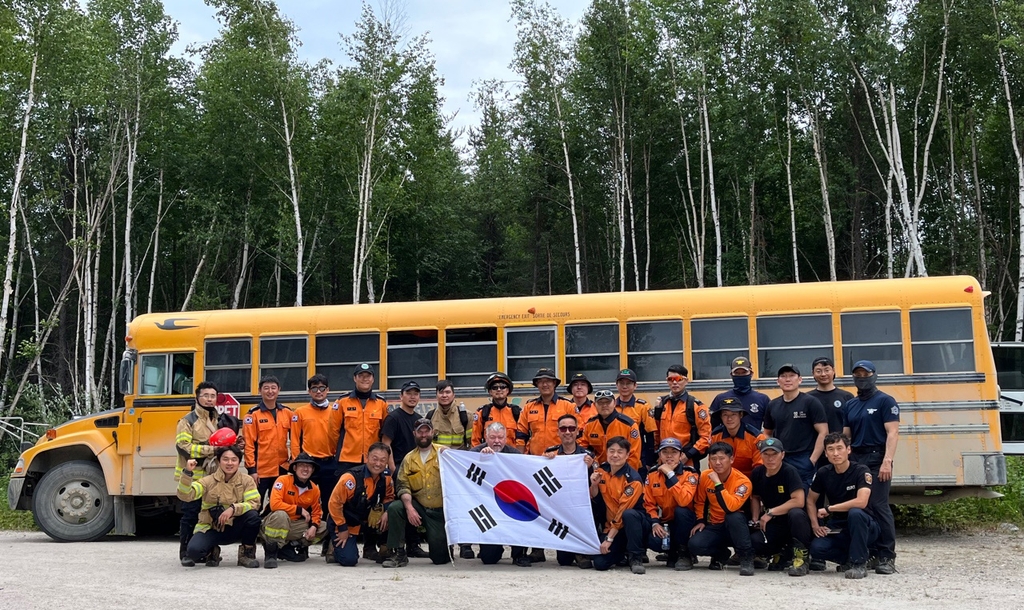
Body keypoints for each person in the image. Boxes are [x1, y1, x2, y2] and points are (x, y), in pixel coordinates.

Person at [174, 381, 244, 566]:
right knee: (190, 514)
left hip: (214, 477)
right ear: (197, 397)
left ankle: (208, 552)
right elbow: (184, 447)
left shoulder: (219, 420)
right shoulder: (187, 421)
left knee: (211, 514)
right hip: (193, 476)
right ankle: (186, 553)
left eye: (213, 396)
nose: (209, 399)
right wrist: (212, 450)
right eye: (206, 395)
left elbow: (226, 443)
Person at [842, 360, 900, 575]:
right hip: (857, 459)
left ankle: (887, 556)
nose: (861, 378)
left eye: (865, 374)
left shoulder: (885, 401)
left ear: (874, 375)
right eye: (857, 374)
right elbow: (846, 435)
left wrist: (888, 461)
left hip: (878, 458)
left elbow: (893, 433)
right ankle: (869, 553)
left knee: (878, 505)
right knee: (860, 508)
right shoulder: (851, 404)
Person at [805, 433, 880, 580]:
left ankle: (858, 564)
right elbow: (810, 500)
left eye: (840, 448)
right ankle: (852, 558)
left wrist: (829, 509)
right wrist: (815, 525)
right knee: (817, 548)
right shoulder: (823, 473)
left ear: (849, 450)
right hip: (839, 526)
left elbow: (861, 502)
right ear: (826, 453)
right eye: (831, 449)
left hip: (865, 524)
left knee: (855, 513)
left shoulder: (861, 470)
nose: (836, 453)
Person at [177, 446, 262, 568]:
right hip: (212, 528)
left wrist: (233, 509)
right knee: (194, 552)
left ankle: (246, 555)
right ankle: (212, 552)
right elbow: (186, 495)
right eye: (225, 459)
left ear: (239, 462)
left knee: (253, 516)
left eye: (234, 460)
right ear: (218, 461)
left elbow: (254, 502)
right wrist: (187, 473)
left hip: (235, 527)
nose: (229, 463)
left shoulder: (247, 480)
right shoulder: (207, 481)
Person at [382, 418, 450, 567]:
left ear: (433, 432)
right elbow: (402, 485)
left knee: (440, 558)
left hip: (439, 512)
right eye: (420, 432)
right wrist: (410, 508)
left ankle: (443, 544)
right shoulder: (409, 459)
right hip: (418, 506)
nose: (424, 435)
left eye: (427, 431)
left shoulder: (444, 453)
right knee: (395, 508)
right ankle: (398, 553)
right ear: (414, 434)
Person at [687, 442, 755, 576]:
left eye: (722, 458)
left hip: (737, 527)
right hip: (715, 524)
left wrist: (718, 484)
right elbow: (699, 501)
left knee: (733, 516)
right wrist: (700, 520)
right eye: (713, 459)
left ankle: (746, 558)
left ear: (731, 459)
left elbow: (731, 507)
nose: (717, 463)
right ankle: (721, 554)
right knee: (695, 544)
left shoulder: (743, 481)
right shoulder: (706, 476)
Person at [749, 438, 813, 576]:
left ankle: (801, 558)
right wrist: (755, 518)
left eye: (774, 454)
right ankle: (782, 553)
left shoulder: (789, 471)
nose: (770, 458)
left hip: (792, 522)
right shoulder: (757, 473)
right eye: (766, 454)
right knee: (754, 541)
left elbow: (799, 501)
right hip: (773, 523)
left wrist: (771, 512)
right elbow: (755, 497)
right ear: (761, 455)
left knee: (796, 513)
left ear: (782, 455)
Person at [470, 422, 530, 566]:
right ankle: (495, 548)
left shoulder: (515, 454)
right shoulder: (474, 453)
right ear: (486, 437)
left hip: (511, 502)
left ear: (506, 438)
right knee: (488, 559)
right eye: (492, 437)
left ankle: (519, 554)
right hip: (487, 505)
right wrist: (480, 459)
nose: (496, 441)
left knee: (523, 511)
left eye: (500, 437)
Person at [327, 442, 395, 566]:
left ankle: (382, 548)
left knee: (395, 511)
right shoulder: (350, 478)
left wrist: (386, 511)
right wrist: (342, 528)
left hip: (368, 520)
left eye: (382, 460)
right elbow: (334, 504)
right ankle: (334, 547)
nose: (378, 464)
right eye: (375, 459)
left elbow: (389, 498)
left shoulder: (387, 478)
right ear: (367, 457)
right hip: (346, 522)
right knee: (349, 560)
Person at [544, 413, 596, 569]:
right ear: (558, 432)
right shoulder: (550, 453)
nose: (567, 432)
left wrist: (590, 467)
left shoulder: (587, 456)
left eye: (571, 428)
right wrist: (544, 461)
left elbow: (595, 489)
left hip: (580, 506)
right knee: (564, 560)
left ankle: (582, 552)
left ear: (577, 431)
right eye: (563, 428)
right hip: (558, 506)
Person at [762, 364, 828, 489]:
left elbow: (823, 432)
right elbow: (767, 433)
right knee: (782, 494)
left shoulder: (810, 402)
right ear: (778, 381)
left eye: (792, 376)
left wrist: (812, 460)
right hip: (781, 458)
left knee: (805, 498)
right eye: (783, 376)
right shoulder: (773, 405)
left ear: (800, 380)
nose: (787, 379)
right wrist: (772, 454)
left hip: (804, 457)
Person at [290, 374, 341, 529]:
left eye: (322, 388)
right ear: (309, 391)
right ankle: (304, 536)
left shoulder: (335, 411)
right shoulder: (300, 412)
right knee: (305, 500)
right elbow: (294, 439)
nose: (318, 391)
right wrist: (295, 462)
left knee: (329, 501)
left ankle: (328, 538)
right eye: (314, 388)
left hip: (330, 462)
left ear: (328, 390)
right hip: (308, 463)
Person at [589, 436, 647, 574]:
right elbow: (594, 498)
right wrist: (594, 485)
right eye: (611, 451)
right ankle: (621, 554)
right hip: (611, 525)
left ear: (627, 455)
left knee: (629, 514)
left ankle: (635, 556)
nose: (615, 455)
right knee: (600, 563)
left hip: (632, 526)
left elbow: (622, 511)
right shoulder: (602, 471)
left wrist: (609, 539)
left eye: (620, 452)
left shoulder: (633, 479)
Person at [260, 453, 328, 568]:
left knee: (324, 526)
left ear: (313, 470)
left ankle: (292, 547)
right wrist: (299, 510)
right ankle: (271, 552)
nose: (305, 469)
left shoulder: (314, 489)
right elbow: (274, 504)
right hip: (274, 522)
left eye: (309, 466)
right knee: (281, 515)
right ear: (295, 468)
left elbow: (317, 512)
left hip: (294, 525)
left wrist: (314, 526)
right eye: (302, 465)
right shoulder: (282, 480)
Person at [642, 438, 699, 570]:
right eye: (665, 452)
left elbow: (684, 500)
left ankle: (684, 553)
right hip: (666, 522)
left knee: (681, 511)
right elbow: (649, 503)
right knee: (653, 540)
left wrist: (670, 474)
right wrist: (655, 522)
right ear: (659, 455)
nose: (669, 456)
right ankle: (671, 552)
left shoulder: (690, 474)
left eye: (674, 452)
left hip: (687, 523)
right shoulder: (652, 475)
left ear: (680, 455)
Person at [243, 375, 293, 504]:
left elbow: (296, 439)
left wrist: (293, 461)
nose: (270, 391)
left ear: (279, 390)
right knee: (255, 504)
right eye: (266, 388)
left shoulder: (287, 412)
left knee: (277, 504)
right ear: (260, 390)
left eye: (273, 388)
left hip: (281, 468)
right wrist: (252, 470)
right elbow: (249, 444)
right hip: (260, 471)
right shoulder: (252, 415)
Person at [333, 363, 389, 474]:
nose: (365, 379)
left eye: (368, 376)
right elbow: (333, 432)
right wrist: (338, 452)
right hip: (347, 460)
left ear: (373, 379)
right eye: (361, 375)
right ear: (355, 378)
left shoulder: (381, 404)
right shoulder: (342, 402)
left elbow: (385, 433)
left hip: (373, 460)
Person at [653, 365, 711, 469]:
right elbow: (656, 432)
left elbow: (706, 437)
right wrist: (657, 453)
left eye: (679, 379)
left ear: (686, 380)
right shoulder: (662, 404)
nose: (674, 383)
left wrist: (687, 455)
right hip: (664, 460)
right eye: (671, 379)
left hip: (687, 460)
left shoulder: (695, 406)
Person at [518, 369, 579, 456]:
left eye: (548, 381)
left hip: (561, 457)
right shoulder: (529, 407)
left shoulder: (568, 405)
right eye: (541, 382)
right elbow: (521, 435)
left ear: (554, 383)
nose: (545, 385)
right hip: (535, 458)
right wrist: (520, 458)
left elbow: (578, 433)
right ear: (537, 385)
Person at [580, 390, 641, 469]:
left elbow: (634, 456)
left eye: (608, 402)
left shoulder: (629, 425)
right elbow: (582, 448)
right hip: (597, 471)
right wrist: (592, 462)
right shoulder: (590, 425)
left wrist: (625, 475)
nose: (604, 405)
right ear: (594, 405)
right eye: (600, 403)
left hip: (622, 471)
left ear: (614, 403)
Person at [710, 397, 766, 478]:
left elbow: (759, 467)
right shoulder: (715, 436)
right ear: (721, 417)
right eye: (725, 415)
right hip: (723, 480)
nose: (729, 418)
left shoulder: (756, 438)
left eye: (733, 414)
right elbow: (713, 465)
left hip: (750, 480)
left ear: (741, 415)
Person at [710, 357, 771, 430]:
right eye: (737, 373)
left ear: (751, 374)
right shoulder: (720, 399)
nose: (740, 376)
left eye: (744, 373)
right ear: (731, 375)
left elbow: (770, 428)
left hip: (755, 440)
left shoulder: (763, 399)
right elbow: (711, 427)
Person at [614, 369, 658, 467]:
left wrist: (649, 462)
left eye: (628, 383)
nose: (625, 386)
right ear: (616, 385)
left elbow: (650, 436)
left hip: (636, 458)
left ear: (635, 386)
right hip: (614, 456)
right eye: (621, 383)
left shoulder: (643, 406)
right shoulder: (610, 406)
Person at [381, 381, 424, 472]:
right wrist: (392, 468)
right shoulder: (393, 418)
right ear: (401, 396)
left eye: (416, 394)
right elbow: (386, 443)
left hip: (416, 468)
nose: (412, 397)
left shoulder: (419, 420)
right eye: (408, 393)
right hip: (399, 467)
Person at [472, 372, 521, 448]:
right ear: (490, 392)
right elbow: (475, 440)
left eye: (502, 387)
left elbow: (522, 439)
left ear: (508, 390)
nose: (499, 389)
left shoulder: (516, 412)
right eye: (494, 387)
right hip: (489, 456)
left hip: (511, 456)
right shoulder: (482, 412)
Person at [807, 357, 854, 435]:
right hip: (815, 445)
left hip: (839, 445)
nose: (823, 374)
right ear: (813, 373)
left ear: (833, 371)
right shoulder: (807, 398)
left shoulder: (847, 397)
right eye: (818, 371)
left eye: (827, 370)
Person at [426, 380, 471, 449]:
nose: (444, 395)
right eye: (441, 392)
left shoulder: (467, 416)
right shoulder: (430, 416)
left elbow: (473, 442)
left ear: (453, 395)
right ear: (436, 396)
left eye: (448, 392)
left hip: (457, 458)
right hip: (437, 458)